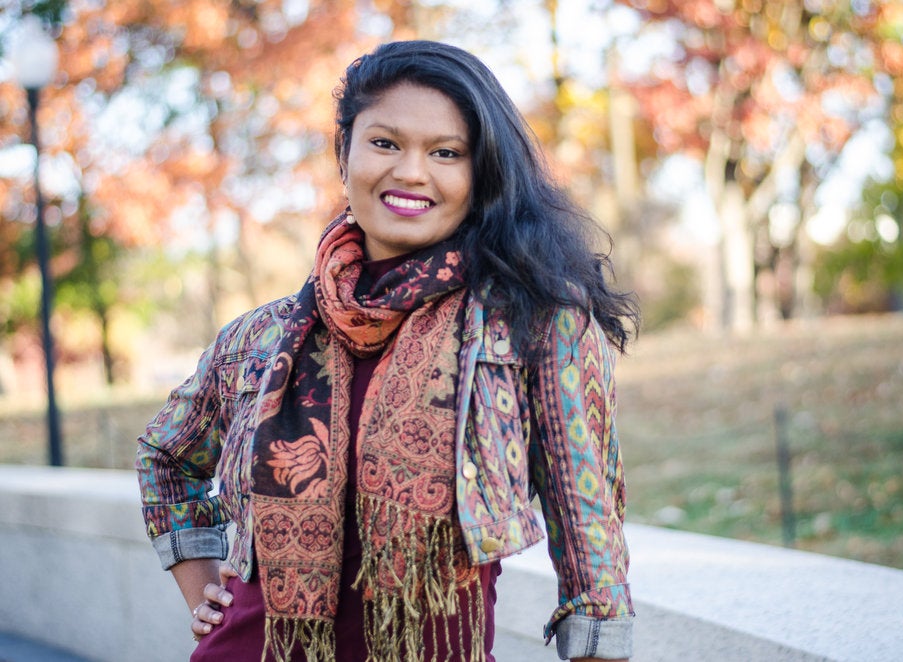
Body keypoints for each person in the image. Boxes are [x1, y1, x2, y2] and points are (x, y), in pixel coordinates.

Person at [137, 40, 639, 662]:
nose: (410, 171)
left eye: (446, 153)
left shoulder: (533, 324)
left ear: (480, 173)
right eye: (385, 143)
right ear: (343, 153)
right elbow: (166, 456)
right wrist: (204, 591)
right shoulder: (261, 338)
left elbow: (589, 531)